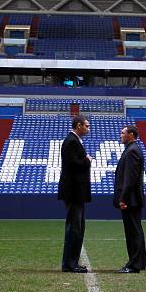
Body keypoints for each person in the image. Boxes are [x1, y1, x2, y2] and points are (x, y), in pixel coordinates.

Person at [58, 115, 92, 273]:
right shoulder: (71, 141)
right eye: (86, 125)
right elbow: (73, 165)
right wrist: (87, 160)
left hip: (76, 192)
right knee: (74, 228)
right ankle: (70, 264)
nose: (88, 128)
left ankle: (72, 262)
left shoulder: (74, 140)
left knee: (77, 227)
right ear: (79, 125)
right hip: (74, 192)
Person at [113, 125, 146, 273]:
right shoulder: (132, 150)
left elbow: (130, 178)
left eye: (123, 133)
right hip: (133, 198)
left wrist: (123, 198)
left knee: (133, 232)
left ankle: (134, 265)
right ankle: (140, 262)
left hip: (130, 199)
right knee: (136, 230)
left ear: (131, 135)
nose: (120, 135)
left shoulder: (132, 151)